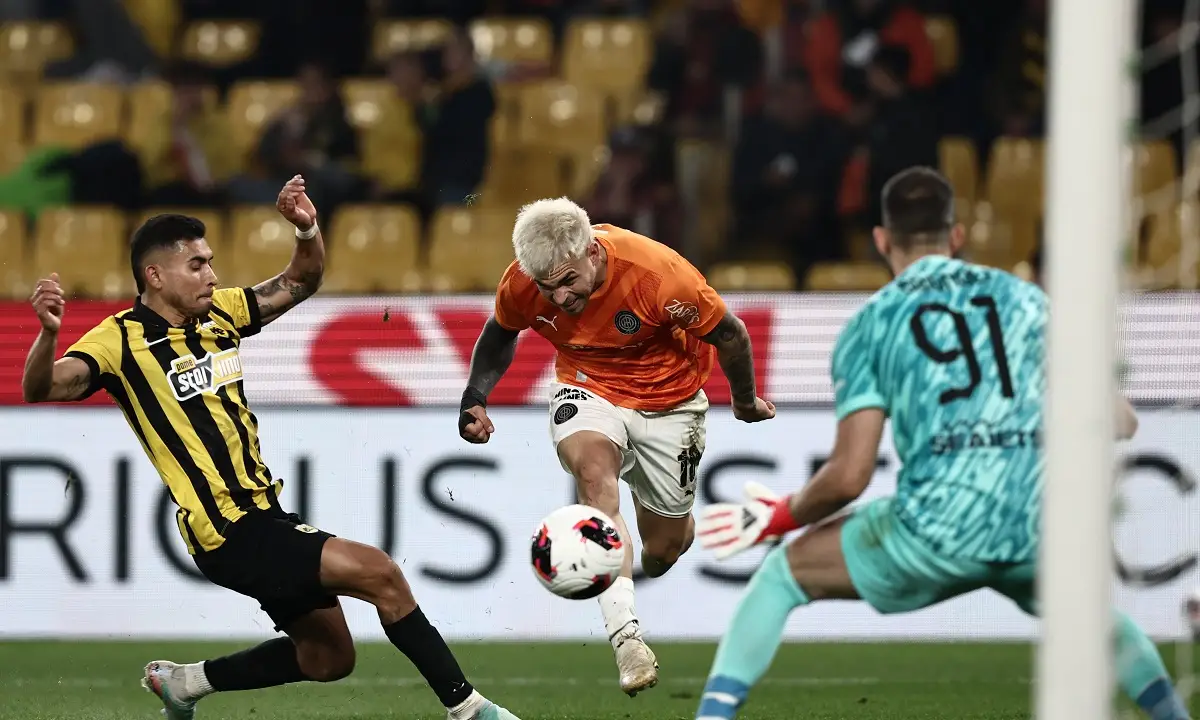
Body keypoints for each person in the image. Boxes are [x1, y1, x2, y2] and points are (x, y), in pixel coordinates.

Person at [689, 167, 1187, 720]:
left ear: (882, 240)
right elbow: (1121, 422)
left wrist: (781, 516)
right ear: (957, 236)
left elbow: (850, 476)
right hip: (1031, 527)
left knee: (782, 577)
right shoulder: (1029, 303)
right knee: (1091, 617)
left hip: (933, 535)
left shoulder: (872, 324)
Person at [21, 176, 522, 720]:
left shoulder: (221, 314)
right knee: (381, 574)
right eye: (197, 265)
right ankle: (468, 709)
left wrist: (306, 228)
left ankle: (186, 683)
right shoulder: (118, 341)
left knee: (329, 657)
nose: (212, 275)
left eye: (211, 262)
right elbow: (43, 387)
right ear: (155, 275)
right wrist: (48, 335)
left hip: (265, 514)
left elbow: (301, 280)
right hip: (226, 528)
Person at [457, 197, 775, 697]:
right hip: (588, 387)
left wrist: (743, 400)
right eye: (547, 287)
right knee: (593, 477)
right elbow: (501, 332)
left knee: (664, 551)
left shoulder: (660, 277)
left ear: (591, 252)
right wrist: (475, 397)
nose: (559, 297)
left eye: (567, 281)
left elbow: (731, 335)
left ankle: (669, 526)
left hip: (671, 404)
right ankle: (626, 638)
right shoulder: (523, 282)